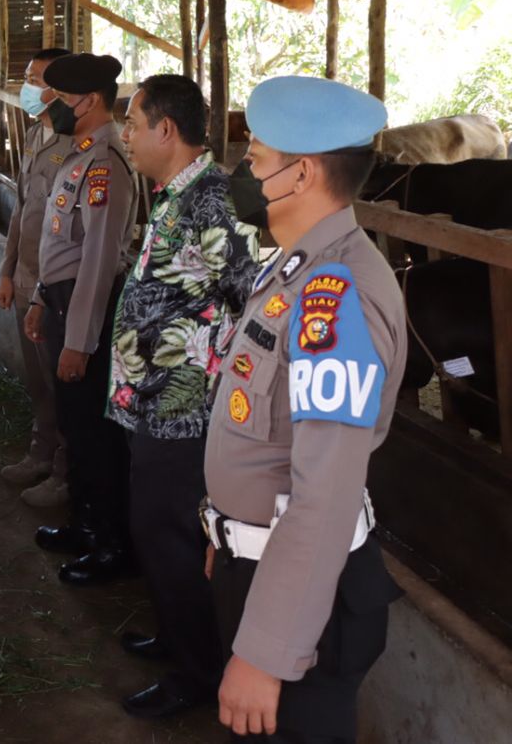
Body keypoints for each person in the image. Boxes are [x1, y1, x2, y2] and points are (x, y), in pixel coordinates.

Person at [203, 75, 405, 742]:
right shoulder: (294, 267)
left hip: (303, 607)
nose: (243, 172)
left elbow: (325, 492)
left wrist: (267, 650)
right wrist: (227, 534)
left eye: (255, 159)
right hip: (263, 568)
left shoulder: (334, 296)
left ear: (302, 174)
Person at [110, 74, 260, 719]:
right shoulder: (179, 194)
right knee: (158, 531)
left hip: (186, 412)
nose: (127, 136)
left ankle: (197, 676)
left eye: (134, 123)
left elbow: (253, 301)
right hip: (155, 402)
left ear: (165, 130)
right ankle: (177, 637)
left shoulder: (213, 202)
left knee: (171, 533)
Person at [24, 52, 138, 585]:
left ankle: (109, 541)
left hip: (85, 307)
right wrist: (40, 298)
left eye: (62, 98)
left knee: (95, 433)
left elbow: (98, 259)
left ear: (89, 101)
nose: (53, 106)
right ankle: (83, 522)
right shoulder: (78, 156)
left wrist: (81, 341)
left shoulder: (105, 163)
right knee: (75, 424)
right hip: (61, 299)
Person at [0, 46, 72, 506]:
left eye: (35, 78)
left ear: (59, 89)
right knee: (37, 379)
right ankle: (40, 452)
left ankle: (64, 470)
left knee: (59, 381)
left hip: (53, 288)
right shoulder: (33, 133)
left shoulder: (75, 146)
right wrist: (6, 273)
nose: (27, 87)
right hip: (24, 279)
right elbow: (21, 211)